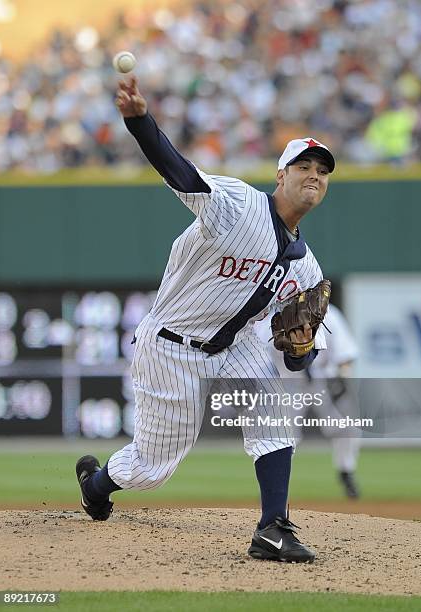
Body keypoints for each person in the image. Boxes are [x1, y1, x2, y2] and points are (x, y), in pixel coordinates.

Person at [75, 76, 336, 563]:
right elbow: (180, 172)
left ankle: (272, 529)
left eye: (323, 170)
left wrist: (301, 351)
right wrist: (139, 122)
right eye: (304, 166)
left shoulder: (308, 268)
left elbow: (299, 358)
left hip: (236, 346)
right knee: (152, 468)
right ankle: (96, 484)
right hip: (173, 344)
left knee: (276, 414)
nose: (314, 175)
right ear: (280, 175)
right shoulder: (238, 205)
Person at [255, 304, 361, 499]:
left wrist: (342, 380)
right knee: (283, 437)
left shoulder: (330, 316)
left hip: (324, 381)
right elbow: (258, 360)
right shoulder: (269, 318)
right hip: (288, 384)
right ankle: (277, 488)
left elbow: (345, 356)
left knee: (347, 427)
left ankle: (347, 472)